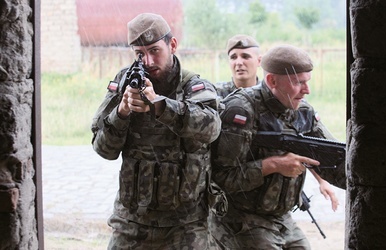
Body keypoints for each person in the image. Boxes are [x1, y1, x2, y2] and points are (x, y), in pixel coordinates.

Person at [91, 13, 222, 249]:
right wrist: (121, 112)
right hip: (132, 220)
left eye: (154, 50)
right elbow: (103, 149)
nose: (148, 61)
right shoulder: (124, 84)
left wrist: (161, 105)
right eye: (140, 54)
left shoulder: (194, 86)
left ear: (172, 45)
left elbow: (212, 128)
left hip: (186, 223)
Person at [210, 44, 346, 249]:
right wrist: (272, 165)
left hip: (282, 218)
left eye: (307, 82)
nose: (307, 90)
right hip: (240, 219)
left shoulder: (303, 112)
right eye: (299, 83)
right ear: (272, 80)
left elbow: (332, 157)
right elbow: (221, 178)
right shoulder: (241, 111)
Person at [214, 34, 262, 98]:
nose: (239, 63)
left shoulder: (268, 93)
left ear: (259, 61)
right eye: (233, 57)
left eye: (245, 56)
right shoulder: (216, 94)